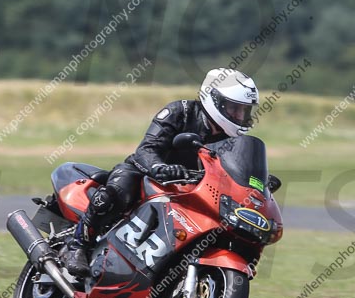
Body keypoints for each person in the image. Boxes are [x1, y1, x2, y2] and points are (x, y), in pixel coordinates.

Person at [62, 67, 260, 277]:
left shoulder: (232, 141)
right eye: (233, 108)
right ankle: (78, 246)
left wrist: (254, 183)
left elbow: (231, 170)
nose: (239, 116)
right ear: (213, 99)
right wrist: (159, 167)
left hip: (189, 189)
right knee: (120, 188)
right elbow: (147, 149)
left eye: (244, 111)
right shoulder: (179, 112)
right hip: (146, 174)